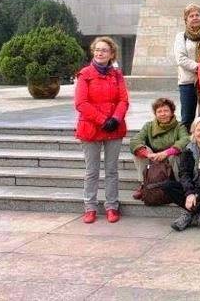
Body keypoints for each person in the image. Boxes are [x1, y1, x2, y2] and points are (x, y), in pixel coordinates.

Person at [75, 36, 129, 224]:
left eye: (104, 50)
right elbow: (81, 103)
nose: (100, 53)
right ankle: (90, 207)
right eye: (97, 50)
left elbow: (123, 99)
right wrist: (101, 119)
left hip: (113, 127)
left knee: (112, 170)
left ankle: (112, 206)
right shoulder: (85, 74)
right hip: (91, 127)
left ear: (111, 54)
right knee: (92, 171)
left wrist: (115, 118)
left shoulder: (117, 75)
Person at [129, 97, 190, 200]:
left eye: (166, 110)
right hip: (153, 159)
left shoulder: (179, 126)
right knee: (139, 152)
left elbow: (185, 140)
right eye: (159, 111)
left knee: (176, 155)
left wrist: (167, 152)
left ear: (172, 112)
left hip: (170, 159)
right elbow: (135, 140)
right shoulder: (149, 126)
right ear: (155, 114)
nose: (163, 114)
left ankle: (178, 185)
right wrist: (148, 154)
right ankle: (144, 184)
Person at [174, 4, 200, 132]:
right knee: (187, 118)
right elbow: (181, 59)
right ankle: (185, 148)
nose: (195, 18)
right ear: (186, 19)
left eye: (197, 15)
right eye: (191, 16)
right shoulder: (181, 36)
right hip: (188, 82)